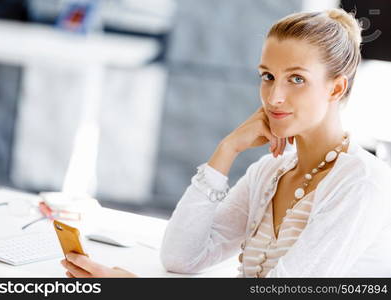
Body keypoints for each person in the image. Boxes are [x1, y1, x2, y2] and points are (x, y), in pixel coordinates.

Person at [60, 8, 391, 278]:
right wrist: (227, 149)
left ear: (335, 89)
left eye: (296, 79)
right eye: (267, 76)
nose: (275, 96)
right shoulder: (270, 172)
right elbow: (181, 258)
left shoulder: (361, 182)